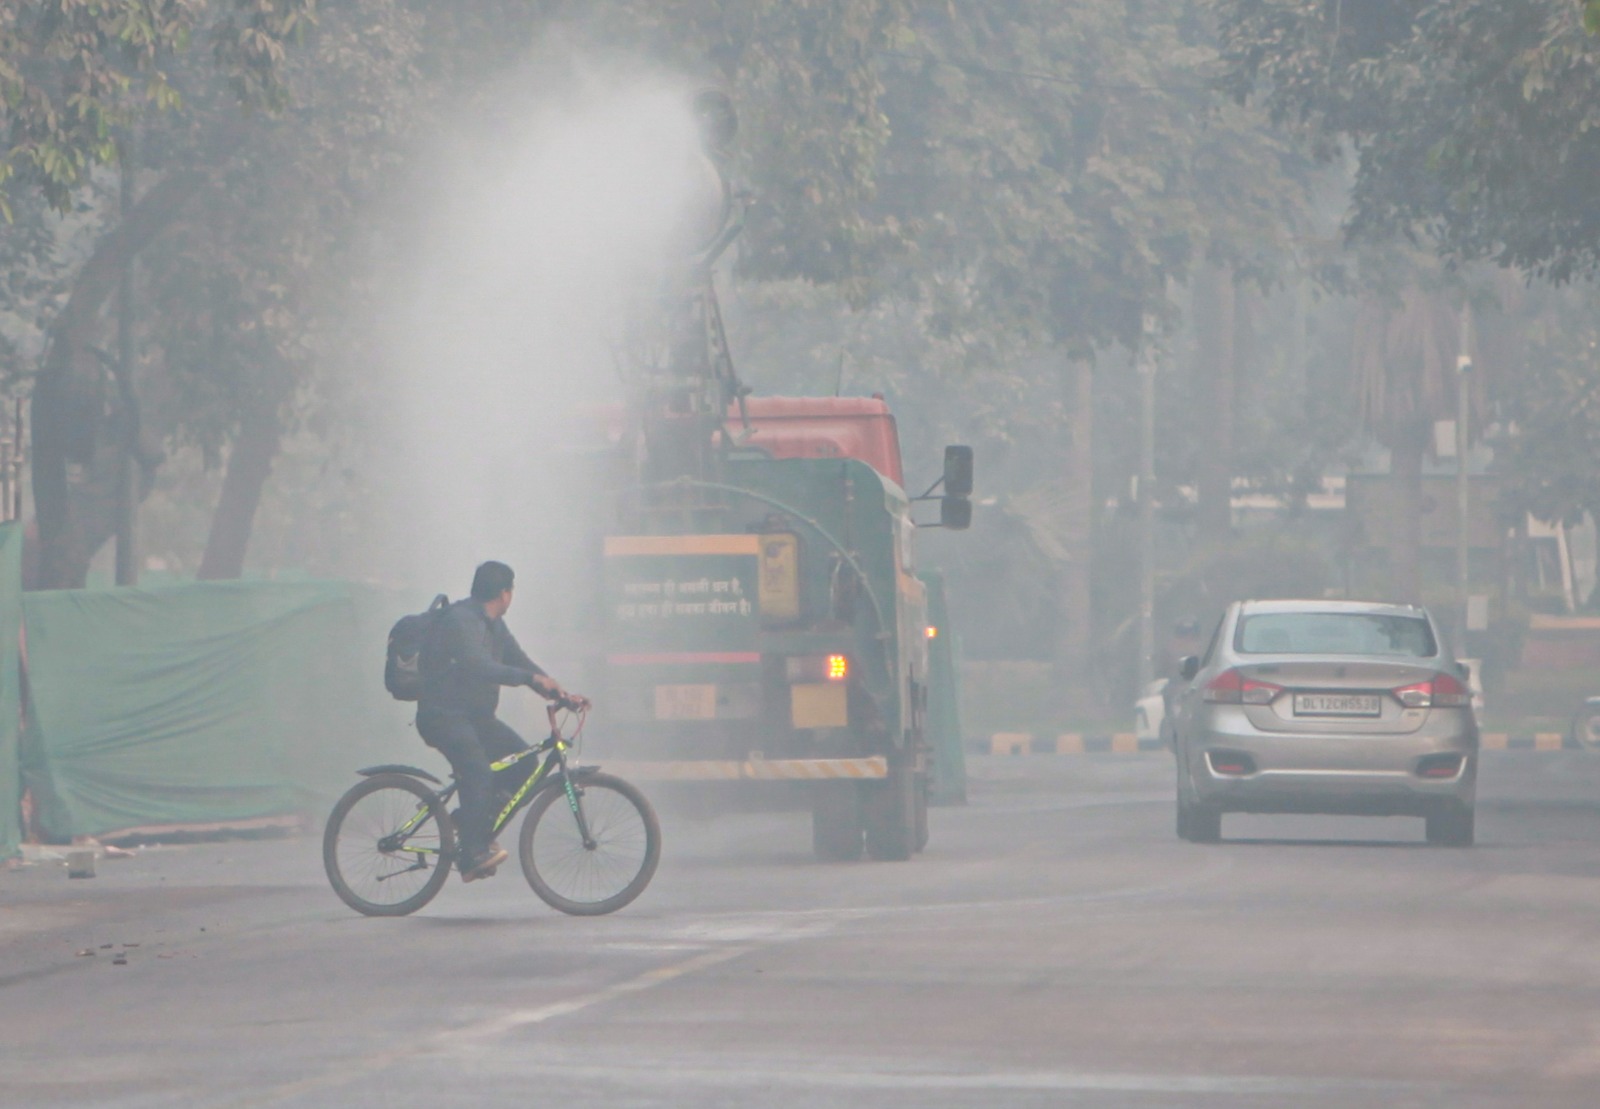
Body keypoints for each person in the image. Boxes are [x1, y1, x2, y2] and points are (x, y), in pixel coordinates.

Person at [417, 561, 586, 881]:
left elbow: (517, 659)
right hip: (444, 717)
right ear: (505, 594)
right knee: (478, 772)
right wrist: (527, 678)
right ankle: (472, 852)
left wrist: (556, 691)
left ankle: (471, 825)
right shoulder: (461, 620)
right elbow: (477, 666)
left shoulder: (494, 625)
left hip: (476, 719)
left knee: (525, 766)